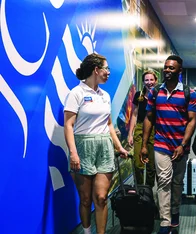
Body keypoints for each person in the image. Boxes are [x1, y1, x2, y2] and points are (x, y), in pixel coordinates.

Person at [64, 53, 128, 234]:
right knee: (85, 199)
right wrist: (73, 153)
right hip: (83, 147)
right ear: (96, 70)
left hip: (104, 147)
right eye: (106, 69)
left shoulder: (105, 95)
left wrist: (119, 147)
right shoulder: (76, 93)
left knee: (101, 197)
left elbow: (108, 124)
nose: (109, 72)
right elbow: (68, 125)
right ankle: (87, 231)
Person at [140, 55, 196, 234]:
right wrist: (143, 145)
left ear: (179, 71)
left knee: (177, 182)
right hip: (161, 143)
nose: (167, 70)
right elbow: (149, 118)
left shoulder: (190, 93)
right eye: (166, 67)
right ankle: (165, 222)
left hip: (181, 145)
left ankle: (174, 214)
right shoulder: (155, 92)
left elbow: (191, 121)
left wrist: (183, 144)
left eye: (172, 68)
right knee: (164, 181)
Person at [128, 71, 158, 187]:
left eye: (151, 80)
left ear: (155, 80)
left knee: (151, 164)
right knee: (137, 163)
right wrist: (130, 133)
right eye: (146, 80)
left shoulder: (159, 95)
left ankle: (148, 190)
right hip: (140, 128)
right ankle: (139, 188)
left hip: (154, 129)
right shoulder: (138, 95)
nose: (149, 82)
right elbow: (134, 115)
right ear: (143, 81)